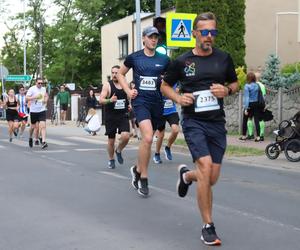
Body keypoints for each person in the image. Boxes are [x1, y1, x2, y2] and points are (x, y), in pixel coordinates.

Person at [161, 12, 239, 246]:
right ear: (194, 33)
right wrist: (178, 98)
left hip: (217, 123)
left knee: (211, 178)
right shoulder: (182, 62)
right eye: (204, 32)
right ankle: (208, 226)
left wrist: (228, 91)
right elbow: (165, 86)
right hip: (194, 122)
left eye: (213, 32)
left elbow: (234, 82)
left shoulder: (224, 59)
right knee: (205, 167)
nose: (209, 37)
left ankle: (186, 176)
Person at [117, 26, 170, 196]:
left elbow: (172, 78)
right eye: (151, 37)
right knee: (147, 137)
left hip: (157, 103)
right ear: (144, 39)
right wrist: (127, 91)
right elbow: (120, 74)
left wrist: (167, 84)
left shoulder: (164, 59)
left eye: (156, 37)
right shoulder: (134, 57)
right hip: (141, 102)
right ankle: (144, 179)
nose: (154, 39)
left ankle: (137, 170)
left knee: (147, 142)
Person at [100, 65, 130, 169]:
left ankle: (118, 150)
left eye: (116, 73)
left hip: (123, 115)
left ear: (121, 74)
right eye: (112, 73)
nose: (114, 75)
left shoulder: (125, 84)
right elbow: (101, 100)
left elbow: (129, 98)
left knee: (126, 136)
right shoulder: (107, 85)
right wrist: (110, 100)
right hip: (111, 116)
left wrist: (130, 105)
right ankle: (111, 159)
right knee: (111, 140)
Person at [153, 84, 180, 163]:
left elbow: (176, 97)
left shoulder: (175, 82)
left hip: (172, 111)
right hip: (161, 112)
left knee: (175, 130)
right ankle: (157, 154)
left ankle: (167, 147)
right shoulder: (160, 81)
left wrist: (177, 93)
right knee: (161, 135)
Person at [26, 78, 49, 149]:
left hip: (42, 110)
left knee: (43, 126)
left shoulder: (43, 89)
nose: (40, 84)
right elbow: (26, 98)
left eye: (41, 83)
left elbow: (46, 96)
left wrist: (45, 100)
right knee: (33, 127)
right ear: (36, 83)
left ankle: (44, 141)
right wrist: (34, 97)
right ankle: (30, 137)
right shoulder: (32, 89)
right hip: (34, 111)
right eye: (39, 83)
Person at [239, 72, 262, 142]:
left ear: (248, 78)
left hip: (249, 104)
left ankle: (243, 136)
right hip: (256, 104)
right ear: (254, 78)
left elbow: (247, 98)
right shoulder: (257, 85)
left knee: (245, 120)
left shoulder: (247, 86)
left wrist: (246, 108)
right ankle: (258, 137)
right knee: (256, 120)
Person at [246, 72, 266, 141]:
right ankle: (261, 135)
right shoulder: (262, 86)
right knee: (261, 119)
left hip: (252, 104)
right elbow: (264, 96)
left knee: (249, 118)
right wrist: (264, 105)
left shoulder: (251, 85)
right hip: (260, 104)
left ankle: (250, 134)